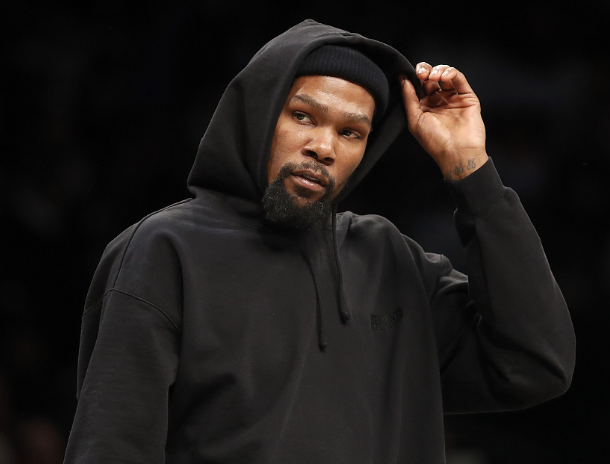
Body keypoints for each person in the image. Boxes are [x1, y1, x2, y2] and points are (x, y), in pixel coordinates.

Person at [63, 19, 575, 463]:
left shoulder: (389, 260)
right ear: (259, 114)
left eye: (351, 133)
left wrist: (470, 170)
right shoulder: (165, 251)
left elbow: (536, 363)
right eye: (303, 116)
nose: (323, 147)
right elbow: (112, 447)